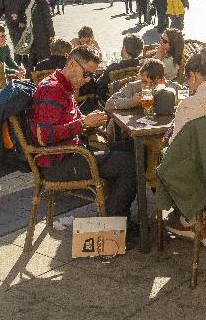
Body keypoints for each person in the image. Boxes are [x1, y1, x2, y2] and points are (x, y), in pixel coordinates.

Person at [31, 46, 138, 235]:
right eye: (86, 73)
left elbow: (74, 121)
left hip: (74, 152)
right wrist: (82, 124)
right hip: (58, 163)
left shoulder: (66, 86)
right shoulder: (53, 90)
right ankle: (115, 226)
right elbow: (43, 136)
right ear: (72, 64)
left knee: (135, 149)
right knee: (127, 163)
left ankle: (118, 219)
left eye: (91, 75)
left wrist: (90, 122)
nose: (88, 79)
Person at [104, 58, 184, 111]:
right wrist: (131, 101)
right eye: (144, 81)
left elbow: (186, 101)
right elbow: (109, 104)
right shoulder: (132, 87)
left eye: (153, 83)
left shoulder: (173, 88)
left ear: (162, 80)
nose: (147, 87)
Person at [96, 34, 146, 105]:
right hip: (135, 99)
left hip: (115, 102)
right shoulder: (142, 67)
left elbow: (99, 86)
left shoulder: (113, 68)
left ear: (124, 48)